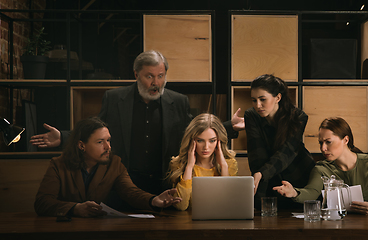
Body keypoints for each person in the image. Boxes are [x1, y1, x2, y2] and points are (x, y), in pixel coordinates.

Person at [30, 50, 244, 196]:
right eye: (149, 76)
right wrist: (64, 138)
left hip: (165, 181)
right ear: (136, 74)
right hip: (125, 182)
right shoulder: (114, 99)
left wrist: (227, 126)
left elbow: (192, 130)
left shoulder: (178, 101)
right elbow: (96, 130)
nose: (156, 83)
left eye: (160, 76)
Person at [34, 117, 182, 217]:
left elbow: (131, 192)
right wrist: (75, 208)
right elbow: (42, 202)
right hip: (63, 230)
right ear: (81, 145)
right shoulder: (59, 164)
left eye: (109, 140)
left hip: (98, 231)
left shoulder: (114, 164)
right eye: (100, 142)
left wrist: (154, 200)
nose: (108, 147)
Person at [273, 117, 368, 215]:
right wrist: (294, 193)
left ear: (345, 140)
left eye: (328, 142)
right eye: (320, 143)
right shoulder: (321, 168)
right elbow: (311, 192)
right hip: (336, 228)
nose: (323, 148)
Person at [245, 74, 315, 210]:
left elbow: (287, 152)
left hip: (299, 173)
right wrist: (258, 199)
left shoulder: (298, 116)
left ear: (278, 97)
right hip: (269, 177)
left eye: (262, 99)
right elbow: (256, 155)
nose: (258, 105)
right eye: (254, 100)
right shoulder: (251, 116)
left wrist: (261, 174)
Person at [165, 113, 238, 211]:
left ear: (219, 141)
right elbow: (181, 206)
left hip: (221, 221)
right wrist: (189, 166)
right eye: (200, 141)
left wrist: (223, 166)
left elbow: (229, 204)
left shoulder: (229, 164)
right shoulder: (179, 164)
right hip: (189, 223)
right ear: (191, 140)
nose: (206, 147)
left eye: (212, 141)